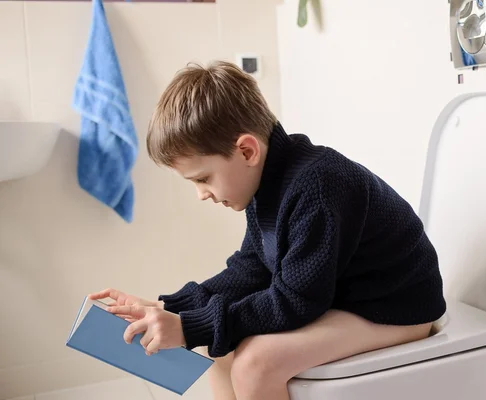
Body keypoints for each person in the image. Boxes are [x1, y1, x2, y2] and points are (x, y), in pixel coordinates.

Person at [89, 60, 446, 400]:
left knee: (255, 364)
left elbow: (296, 300)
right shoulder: (269, 184)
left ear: (246, 151)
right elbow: (252, 268)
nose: (201, 194)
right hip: (345, 298)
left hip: (396, 308)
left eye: (203, 178)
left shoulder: (318, 185)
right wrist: (169, 307)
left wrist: (189, 327)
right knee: (222, 349)